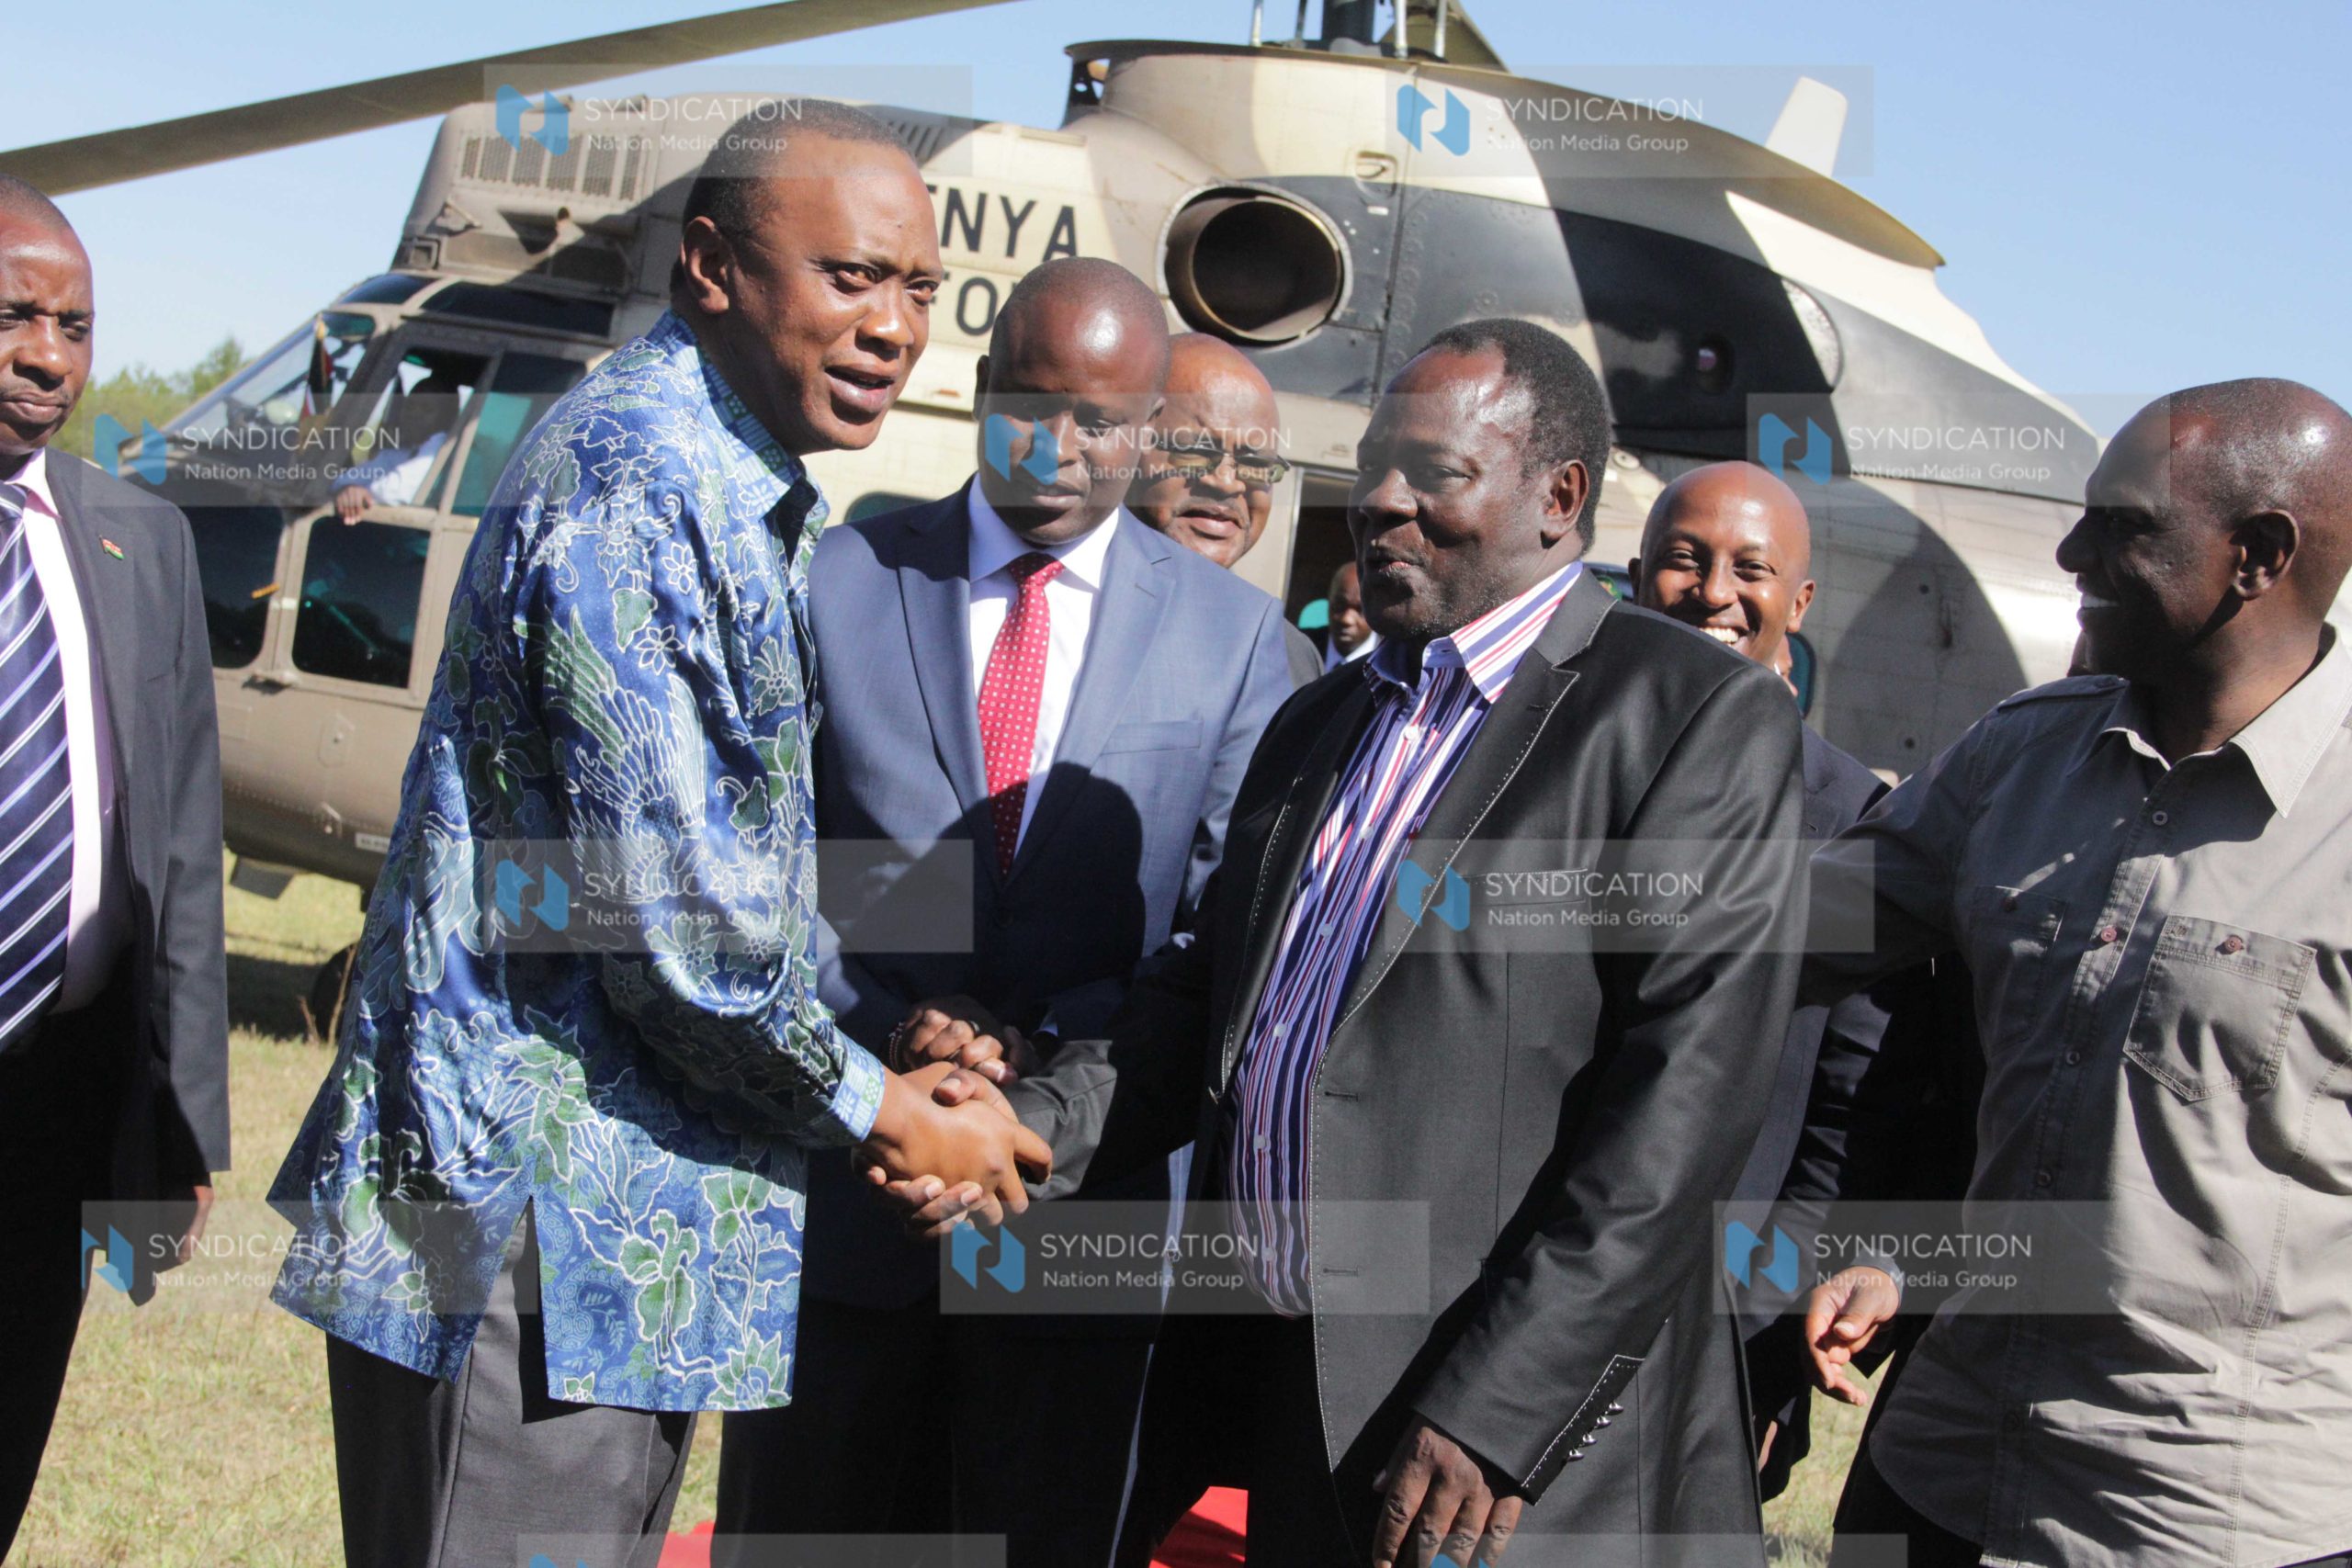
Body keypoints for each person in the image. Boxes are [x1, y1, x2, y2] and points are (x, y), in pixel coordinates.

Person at [266, 104, 1048, 1568]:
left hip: (615, 1228)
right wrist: (893, 1106)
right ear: (710, 265)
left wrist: (892, 1045)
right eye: (848, 278)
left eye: (920, 289)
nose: (893, 327)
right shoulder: (643, 483)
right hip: (522, 1234)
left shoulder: (733, 482)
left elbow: (733, 873)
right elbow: (676, 930)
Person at [891, 319, 1807, 1566]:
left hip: (1521, 1475)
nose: (1376, 499)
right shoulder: (1319, 718)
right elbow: (1196, 1007)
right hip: (1297, 1411)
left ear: (1560, 496)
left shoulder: (1693, 719)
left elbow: (1675, 1125)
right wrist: (1020, 1126)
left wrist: (1494, 1411)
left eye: (1432, 471)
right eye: (1376, 461)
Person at [714, 260, 1302, 1566]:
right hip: (847, 1203)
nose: (1057, 446)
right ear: (978, 393)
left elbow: (1216, 935)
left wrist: (1027, 1060)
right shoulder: (843, 574)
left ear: (1150, 429)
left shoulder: (1236, 642)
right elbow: (769, 862)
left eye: (1098, 420)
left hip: (1071, 1230)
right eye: (1026, 405)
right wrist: (897, 1033)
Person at [1802, 379, 2352, 1568]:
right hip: (1941, 1469)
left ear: (2258, 554)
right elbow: (1787, 928)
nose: (2070, 551)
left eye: (2122, 525)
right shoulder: (2023, 748)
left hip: (2196, 1521)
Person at [0, 176, 230, 1558]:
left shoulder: (143, 541)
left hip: (58, 1104)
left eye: (75, 324)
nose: (47, 354)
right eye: (14, 316)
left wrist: (182, 1120)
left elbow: (183, 850)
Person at [1625, 461, 1922, 1497]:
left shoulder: (1851, 827)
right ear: (1631, 576)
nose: (1712, 591)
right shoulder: (1546, 774)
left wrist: (1754, 1355)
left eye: (1749, 569)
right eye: (1682, 559)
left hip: (1712, 1339)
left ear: (1798, 604)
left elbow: (1845, 1122)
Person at [1127, 332, 1320, 683]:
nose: (1227, 482)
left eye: (1255, 462)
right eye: (1195, 450)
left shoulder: (1291, 660)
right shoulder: (1043, 609)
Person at [332, 370, 469, 521]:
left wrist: (360, 492)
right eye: (410, 406)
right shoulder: (399, 452)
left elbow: (393, 493)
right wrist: (349, 489)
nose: (414, 414)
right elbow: (342, 479)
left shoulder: (442, 447)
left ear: (446, 417)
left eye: (427, 410)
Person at [1323, 556, 1378, 670]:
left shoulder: (1390, 664)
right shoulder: (1299, 649)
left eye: (1360, 610)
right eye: (1339, 606)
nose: (1346, 619)